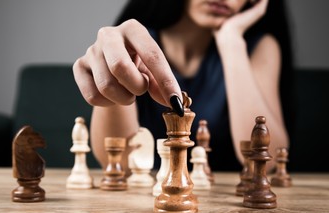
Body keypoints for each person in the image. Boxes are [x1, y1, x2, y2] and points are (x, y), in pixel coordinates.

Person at [73, 0, 293, 172]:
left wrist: (231, 41)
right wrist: (116, 74)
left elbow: (268, 158)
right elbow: (118, 161)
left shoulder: (259, 48)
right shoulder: (130, 46)